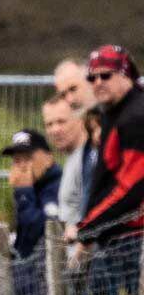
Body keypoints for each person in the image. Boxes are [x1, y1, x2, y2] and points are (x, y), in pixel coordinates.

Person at [78, 45, 144, 295]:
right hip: (114, 236)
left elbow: (133, 188)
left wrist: (87, 228)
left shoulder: (136, 117)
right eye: (91, 78)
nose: (97, 83)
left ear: (125, 75)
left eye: (105, 75)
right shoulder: (113, 113)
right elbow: (103, 178)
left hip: (132, 240)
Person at [2, 129, 61, 260]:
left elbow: (40, 232)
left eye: (28, 158)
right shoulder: (34, 187)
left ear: (49, 159)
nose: (22, 166)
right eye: (17, 160)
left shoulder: (57, 187)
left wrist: (24, 192)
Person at [44, 93, 92, 229]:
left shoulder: (88, 160)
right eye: (49, 124)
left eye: (61, 121)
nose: (55, 129)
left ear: (80, 120)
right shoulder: (73, 159)